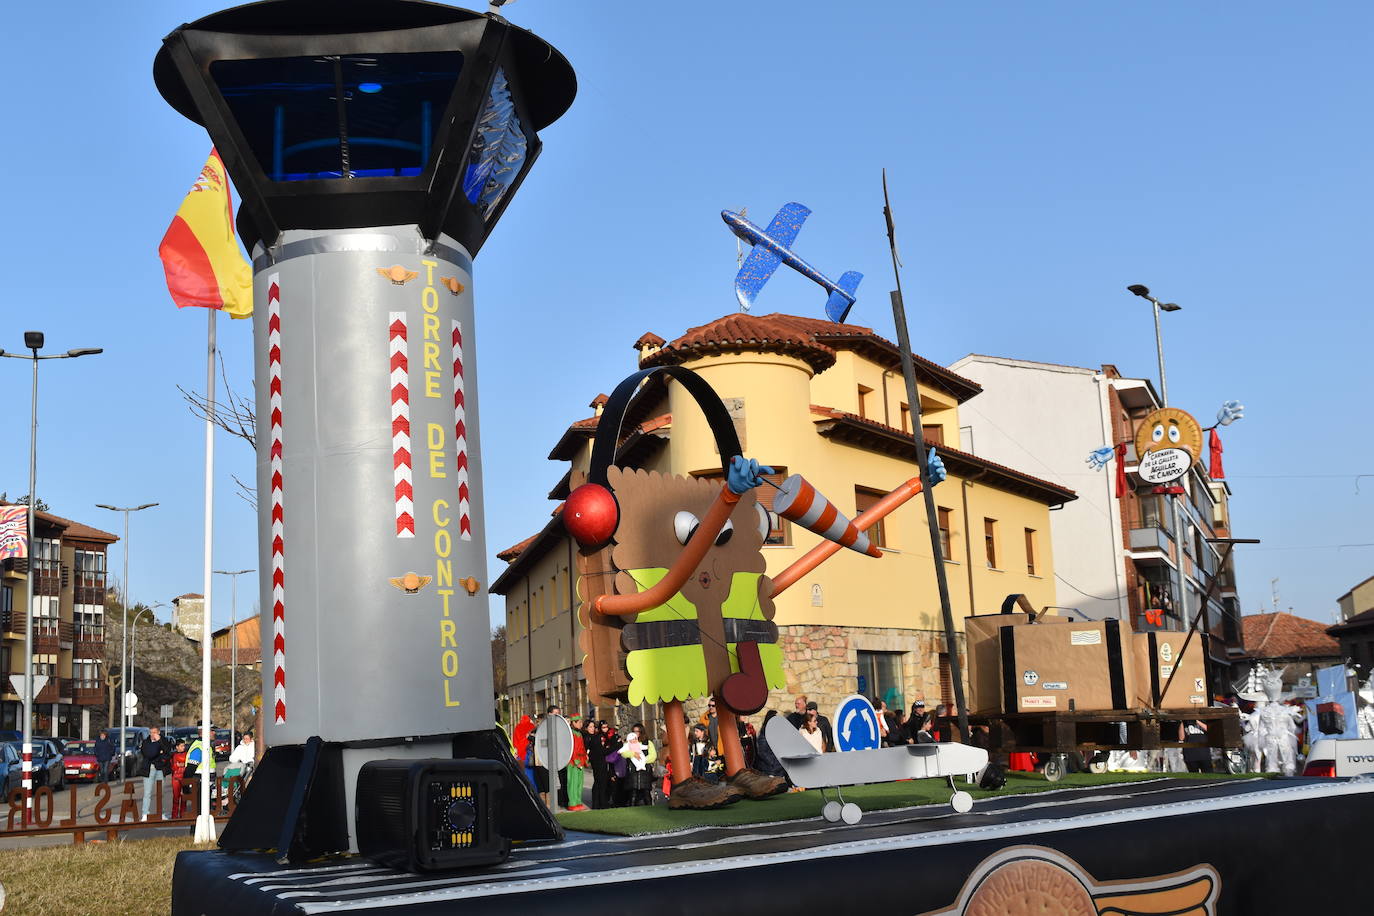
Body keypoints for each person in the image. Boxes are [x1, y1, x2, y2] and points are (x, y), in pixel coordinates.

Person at [138, 726, 173, 821]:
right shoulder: (146, 742)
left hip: (160, 769)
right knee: (147, 792)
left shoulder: (163, 740)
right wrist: (159, 750)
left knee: (161, 793)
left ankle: (161, 813)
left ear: (158, 733)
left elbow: (167, 752)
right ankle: (145, 813)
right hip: (149, 769)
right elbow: (150, 754)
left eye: (154, 732)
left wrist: (160, 742)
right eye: (151, 732)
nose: (152, 734)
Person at [619, 723, 657, 806]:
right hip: (633, 771)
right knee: (633, 793)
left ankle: (650, 808)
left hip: (645, 771)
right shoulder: (629, 743)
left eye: (637, 731)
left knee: (646, 792)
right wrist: (633, 754)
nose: (636, 733)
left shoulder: (648, 743)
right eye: (634, 731)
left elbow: (653, 756)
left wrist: (642, 760)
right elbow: (624, 753)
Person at [752, 710, 789, 781]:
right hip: (770, 770)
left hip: (780, 770)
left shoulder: (779, 733)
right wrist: (774, 763)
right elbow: (762, 752)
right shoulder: (764, 734)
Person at [169, 739, 189, 819]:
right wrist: (180, 765)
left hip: (184, 777)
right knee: (176, 797)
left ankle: (183, 814)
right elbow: (174, 767)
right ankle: (174, 815)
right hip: (176, 778)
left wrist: (180, 764)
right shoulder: (174, 755)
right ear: (177, 747)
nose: (183, 747)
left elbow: (186, 765)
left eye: (184, 745)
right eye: (181, 746)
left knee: (184, 797)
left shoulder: (187, 754)